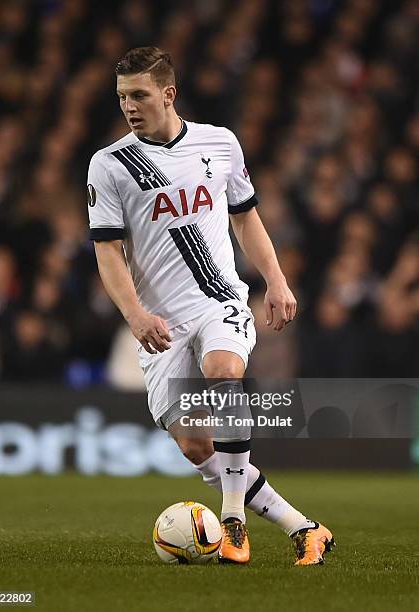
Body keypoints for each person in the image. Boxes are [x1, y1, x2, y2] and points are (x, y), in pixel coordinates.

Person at [87, 46, 334, 565]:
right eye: (122, 97)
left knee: (225, 373)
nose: (129, 106)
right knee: (198, 447)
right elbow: (107, 251)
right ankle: (304, 527)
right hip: (159, 322)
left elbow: (245, 217)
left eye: (139, 95)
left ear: (168, 94)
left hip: (218, 297)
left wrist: (277, 281)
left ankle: (232, 520)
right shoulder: (109, 165)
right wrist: (134, 315)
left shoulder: (218, 144)